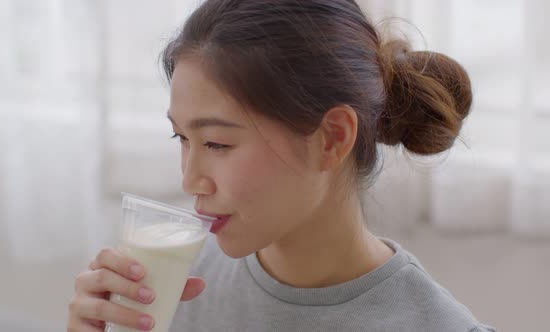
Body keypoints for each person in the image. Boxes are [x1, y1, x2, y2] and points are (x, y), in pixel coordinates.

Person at [68, 0, 497, 331]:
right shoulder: (171, 289)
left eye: (216, 142)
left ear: (332, 138)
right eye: (181, 138)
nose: (190, 179)